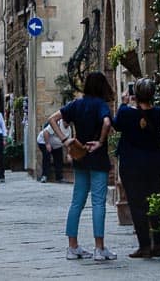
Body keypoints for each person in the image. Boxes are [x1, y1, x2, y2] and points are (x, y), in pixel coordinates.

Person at [49, 71, 117, 262]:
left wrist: (65, 140)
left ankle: (72, 246)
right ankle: (99, 247)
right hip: (97, 157)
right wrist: (101, 141)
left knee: (77, 202)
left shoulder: (76, 104)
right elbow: (106, 122)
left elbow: (52, 119)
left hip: (80, 157)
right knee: (98, 203)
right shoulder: (100, 105)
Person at [114, 78, 160, 259]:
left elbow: (116, 125)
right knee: (155, 201)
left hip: (132, 165)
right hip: (155, 163)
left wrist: (123, 103)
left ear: (135, 95)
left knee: (138, 204)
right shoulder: (159, 113)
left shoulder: (125, 113)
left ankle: (145, 245)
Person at [36, 119, 70, 183]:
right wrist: (47, 144)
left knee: (59, 159)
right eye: (67, 122)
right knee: (47, 156)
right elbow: (46, 132)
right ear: (64, 121)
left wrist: (68, 154)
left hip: (56, 145)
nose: (68, 124)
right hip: (43, 141)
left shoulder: (69, 129)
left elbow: (68, 143)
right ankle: (44, 176)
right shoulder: (57, 123)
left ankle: (59, 178)